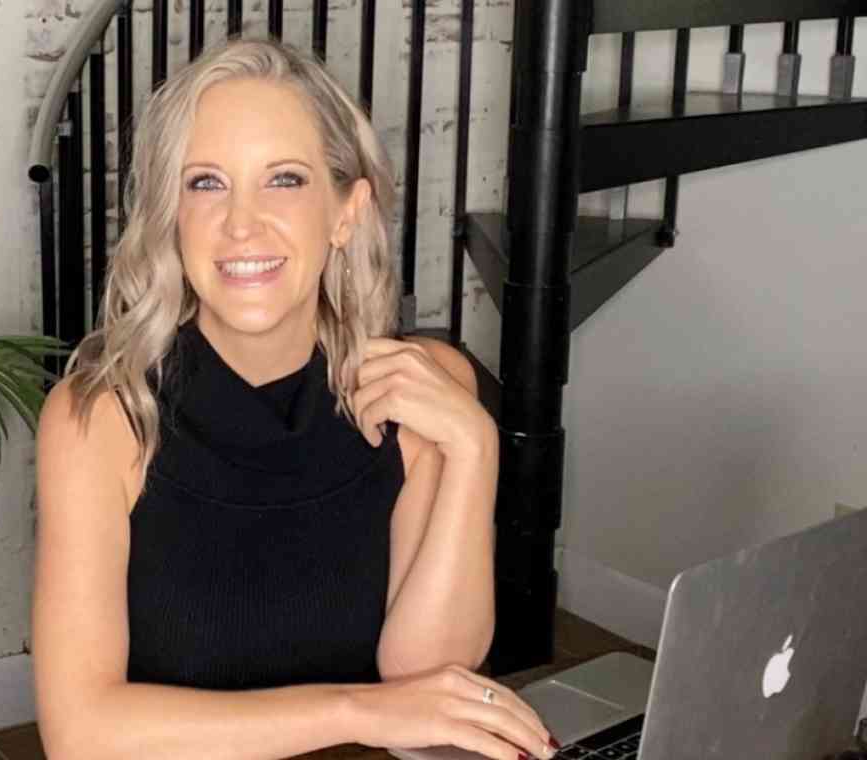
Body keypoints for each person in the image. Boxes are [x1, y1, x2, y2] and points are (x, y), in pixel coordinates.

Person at [31, 37, 557, 760]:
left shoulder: (425, 390)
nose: (242, 224)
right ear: (170, 217)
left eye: (284, 179)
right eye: (206, 183)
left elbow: (429, 685)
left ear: (346, 212)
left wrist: (476, 448)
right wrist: (356, 712)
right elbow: (82, 736)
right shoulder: (101, 420)